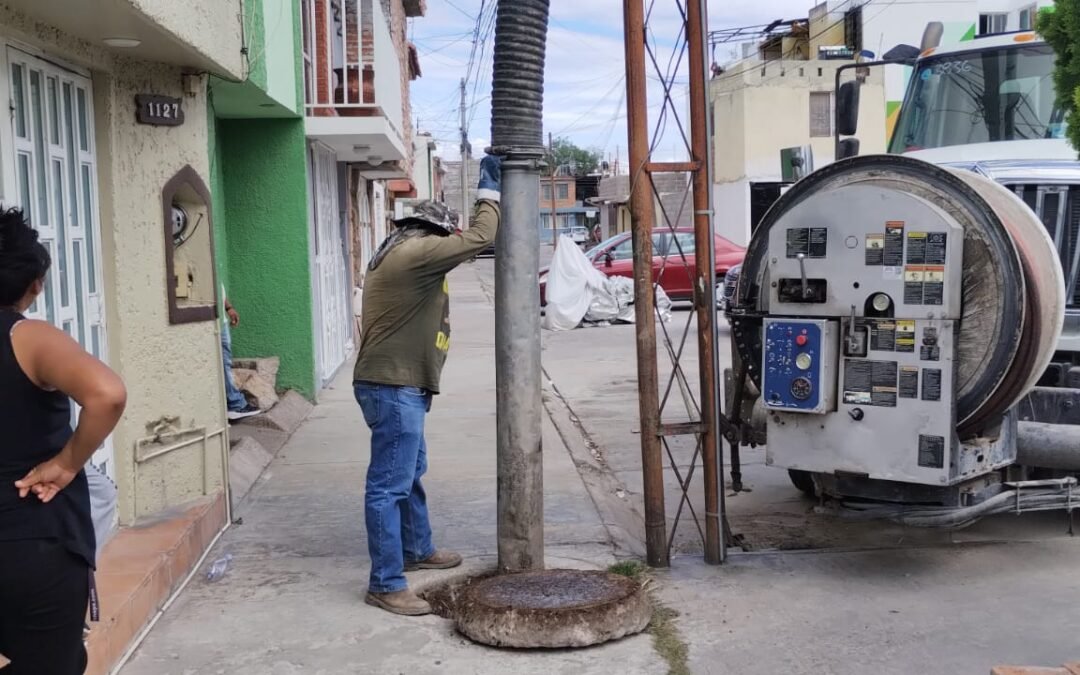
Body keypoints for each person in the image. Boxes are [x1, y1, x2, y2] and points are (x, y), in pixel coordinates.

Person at [353, 154, 502, 616]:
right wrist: (488, 193)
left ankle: (417, 548)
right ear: (430, 232)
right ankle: (385, 583)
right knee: (388, 486)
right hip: (393, 387)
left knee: (408, 472)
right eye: (444, 238)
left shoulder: (397, 251)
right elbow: (481, 237)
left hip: (396, 384)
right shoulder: (417, 254)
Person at [0, 207, 127, 674]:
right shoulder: (28, 338)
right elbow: (107, 394)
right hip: (30, 541)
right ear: (36, 284)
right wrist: (68, 462)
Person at [221, 290, 260, 421]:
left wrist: (228, 307)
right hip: (214, 319)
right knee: (223, 363)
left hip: (221, 318)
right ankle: (235, 404)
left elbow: (218, 286)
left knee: (225, 361)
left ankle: (235, 402)